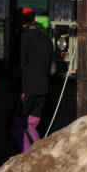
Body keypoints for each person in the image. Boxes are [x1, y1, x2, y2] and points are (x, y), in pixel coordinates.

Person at [11, 8, 53, 153]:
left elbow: (19, 62)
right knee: (31, 124)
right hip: (44, 89)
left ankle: (27, 154)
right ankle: (40, 153)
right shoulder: (46, 39)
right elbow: (51, 67)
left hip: (27, 88)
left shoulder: (23, 37)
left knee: (19, 125)